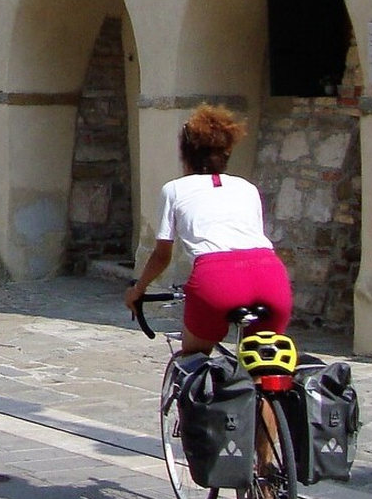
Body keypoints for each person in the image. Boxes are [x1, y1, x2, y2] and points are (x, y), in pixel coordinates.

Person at [124, 104, 292, 355]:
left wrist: (138, 289)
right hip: (270, 275)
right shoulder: (246, 188)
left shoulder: (175, 189)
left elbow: (162, 254)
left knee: (194, 359)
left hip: (216, 278)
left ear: (185, 155)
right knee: (262, 363)